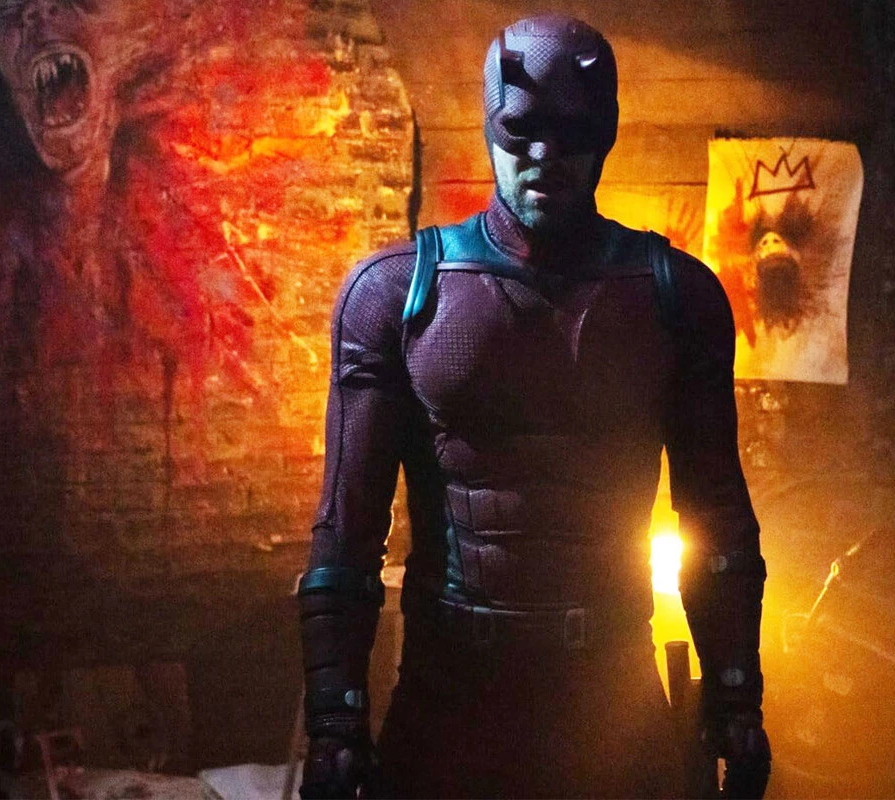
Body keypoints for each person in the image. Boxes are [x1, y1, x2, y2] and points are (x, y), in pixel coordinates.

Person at [297, 14, 768, 799]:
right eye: (522, 131)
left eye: (572, 133)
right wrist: (334, 720)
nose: (545, 154)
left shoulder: (676, 299)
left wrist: (735, 695)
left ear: (604, 135)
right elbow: (347, 532)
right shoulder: (396, 295)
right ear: (492, 127)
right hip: (452, 701)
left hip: (611, 699)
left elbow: (715, 516)